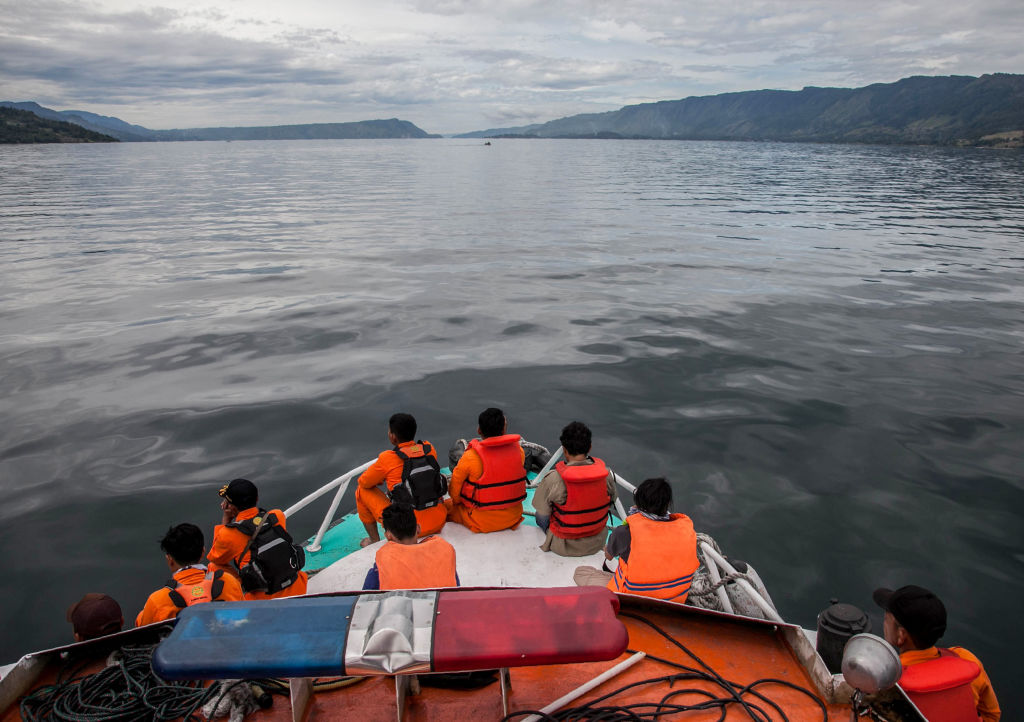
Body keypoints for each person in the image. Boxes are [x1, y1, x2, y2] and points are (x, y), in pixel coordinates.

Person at [874, 585, 1000, 721]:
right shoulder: (966, 658)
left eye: (887, 618)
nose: (884, 621)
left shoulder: (885, 681)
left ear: (901, 635)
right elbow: (992, 715)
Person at [573, 477, 698, 602]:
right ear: (666, 505)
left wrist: (611, 545)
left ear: (638, 502)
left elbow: (609, 556)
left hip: (633, 600)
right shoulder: (685, 530)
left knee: (580, 573)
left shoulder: (624, 532)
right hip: (676, 600)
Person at [207, 478, 308, 599]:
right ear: (257, 499)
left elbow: (216, 558)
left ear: (232, 507)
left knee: (213, 566)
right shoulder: (276, 516)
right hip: (299, 588)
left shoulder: (229, 534)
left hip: (263, 600)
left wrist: (226, 520)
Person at [356, 413, 447, 546]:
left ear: (392, 436)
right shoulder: (429, 449)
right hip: (438, 521)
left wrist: (382, 478)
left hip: (408, 529)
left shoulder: (387, 458)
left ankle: (373, 541)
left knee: (361, 491)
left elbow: (364, 482)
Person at [532, 421, 616, 556]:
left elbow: (542, 512)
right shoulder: (606, 476)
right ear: (589, 447)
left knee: (539, 515)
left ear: (564, 450)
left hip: (563, 545)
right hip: (597, 541)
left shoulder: (554, 478)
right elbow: (612, 500)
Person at [136, 523, 243, 626]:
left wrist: (145, 612)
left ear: (169, 559)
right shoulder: (229, 581)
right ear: (203, 552)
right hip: (227, 643)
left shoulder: (157, 600)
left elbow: (142, 629)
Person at [445, 407, 528, 533]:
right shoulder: (519, 452)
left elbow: (454, 491)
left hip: (480, 521)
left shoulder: (470, 457)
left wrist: (457, 503)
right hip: (513, 516)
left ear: (479, 430)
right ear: (504, 429)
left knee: (444, 507)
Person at [363, 503, 459, 590]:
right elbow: (455, 584)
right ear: (418, 529)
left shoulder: (380, 568)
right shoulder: (443, 551)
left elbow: (366, 598)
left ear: (388, 535)